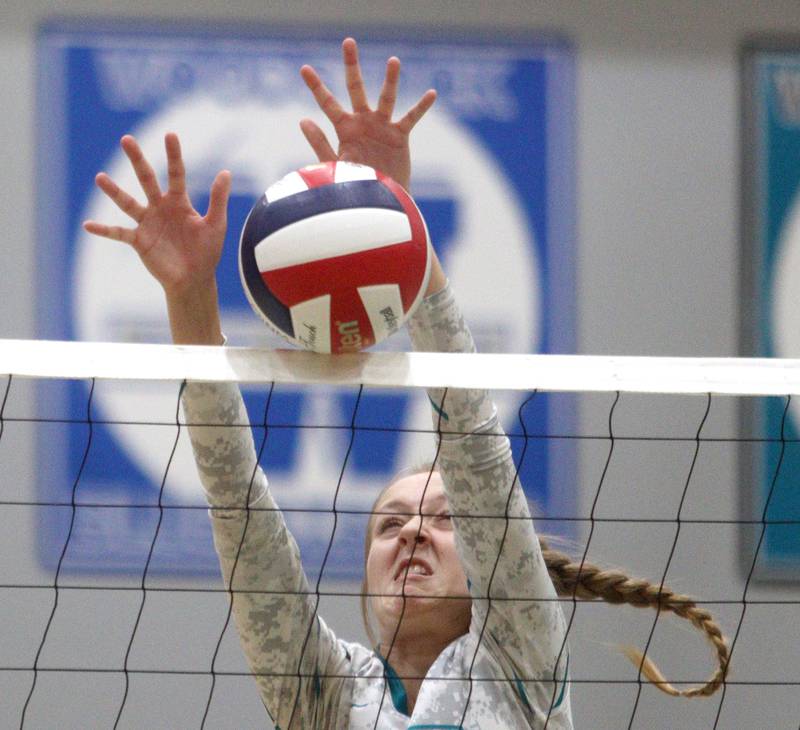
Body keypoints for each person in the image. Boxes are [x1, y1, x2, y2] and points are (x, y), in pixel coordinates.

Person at [84, 38, 728, 729]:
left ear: (487, 561)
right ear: (364, 573)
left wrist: (399, 223)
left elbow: (472, 438)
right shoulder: (329, 695)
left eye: (447, 521)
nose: (413, 534)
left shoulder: (517, 662)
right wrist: (189, 296)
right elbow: (239, 511)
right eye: (391, 523)